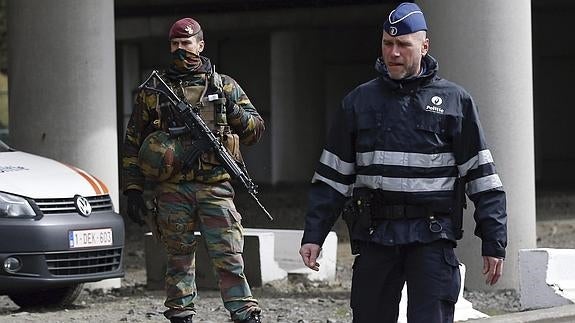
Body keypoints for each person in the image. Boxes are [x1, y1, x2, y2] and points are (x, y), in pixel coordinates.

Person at [299, 3, 507, 323]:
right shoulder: (358, 102)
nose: (393, 53)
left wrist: (493, 241)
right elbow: (332, 176)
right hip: (376, 238)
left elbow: (483, 179)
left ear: (424, 46)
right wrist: (314, 233)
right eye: (387, 44)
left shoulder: (455, 102)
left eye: (402, 45)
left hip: (431, 239)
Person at [122, 17, 264, 323]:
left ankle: (243, 311)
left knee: (229, 253)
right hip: (171, 188)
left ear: (200, 45)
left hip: (215, 185)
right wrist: (132, 188)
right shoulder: (155, 91)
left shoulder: (223, 84)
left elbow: (255, 130)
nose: (180, 50)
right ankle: (180, 312)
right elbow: (133, 141)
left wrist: (232, 107)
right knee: (178, 256)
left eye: (186, 44)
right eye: (174, 44)